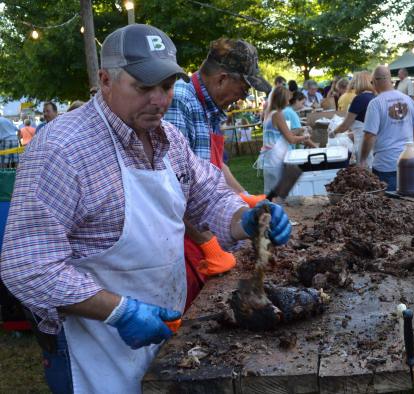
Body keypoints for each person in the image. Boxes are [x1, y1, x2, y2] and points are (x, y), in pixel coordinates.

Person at [0, 24, 292, 393]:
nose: (159, 100)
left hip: (163, 327)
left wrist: (247, 219)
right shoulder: (61, 150)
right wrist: (118, 311)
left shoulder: (169, 139)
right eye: (143, 87)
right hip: (93, 342)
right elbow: (27, 265)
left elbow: (209, 198)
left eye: (167, 87)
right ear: (106, 80)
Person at [164, 38, 270, 309]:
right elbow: (168, 190)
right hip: (181, 242)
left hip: (202, 229)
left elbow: (215, 168)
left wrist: (246, 199)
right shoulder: (180, 103)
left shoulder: (209, 111)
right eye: (244, 88)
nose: (244, 97)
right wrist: (206, 242)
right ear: (223, 78)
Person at [359, 66, 414, 190]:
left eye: (372, 82)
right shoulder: (408, 99)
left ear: (376, 81)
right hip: (408, 162)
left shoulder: (375, 103)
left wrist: (362, 160)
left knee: (390, 205)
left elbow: (369, 135)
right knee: (410, 203)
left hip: (385, 166)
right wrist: (411, 150)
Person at [258, 86, 315, 193]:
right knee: (280, 192)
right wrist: (305, 136)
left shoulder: (268, 113)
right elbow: (291, 139)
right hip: (277, 158)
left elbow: (282, 134)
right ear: (282, 99)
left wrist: (301, 130)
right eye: (287, 98)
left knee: (270, 191)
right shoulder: (278, 115)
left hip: (269, 157)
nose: (289, 101)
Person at [333, 71, 375, 166]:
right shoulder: (374, 97)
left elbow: (345, 125)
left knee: (365, 173)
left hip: (363, 144)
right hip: (374, 143)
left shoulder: (359, 99)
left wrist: (333, 132)